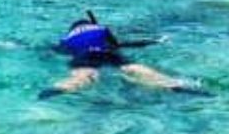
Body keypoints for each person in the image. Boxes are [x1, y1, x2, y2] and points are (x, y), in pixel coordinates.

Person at [40, 10, 203, 97]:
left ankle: (62, 88)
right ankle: (173, 85)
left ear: (72, 30)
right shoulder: (100, 28)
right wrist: (151, 42)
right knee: (133, 69)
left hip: (83, 55)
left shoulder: (66, 39)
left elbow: (57, 51)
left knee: (85, 75)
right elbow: (117, 45)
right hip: (106, 52)